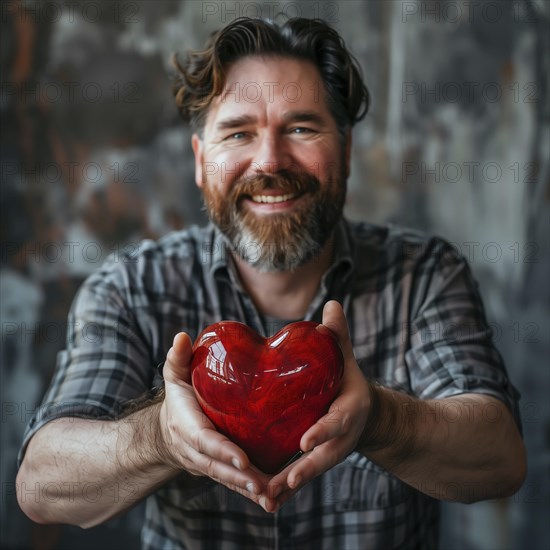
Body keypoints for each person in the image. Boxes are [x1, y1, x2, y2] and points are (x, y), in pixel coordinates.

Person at [17, 17, 526, 550]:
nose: (269, 162)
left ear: (347, 152)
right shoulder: (131, 287)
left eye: (302, 128)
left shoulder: (425, 276)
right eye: (239, 133)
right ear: (199, 162)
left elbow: (501, 461)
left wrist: (380, 419)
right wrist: (161, 437)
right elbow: (41, 486)